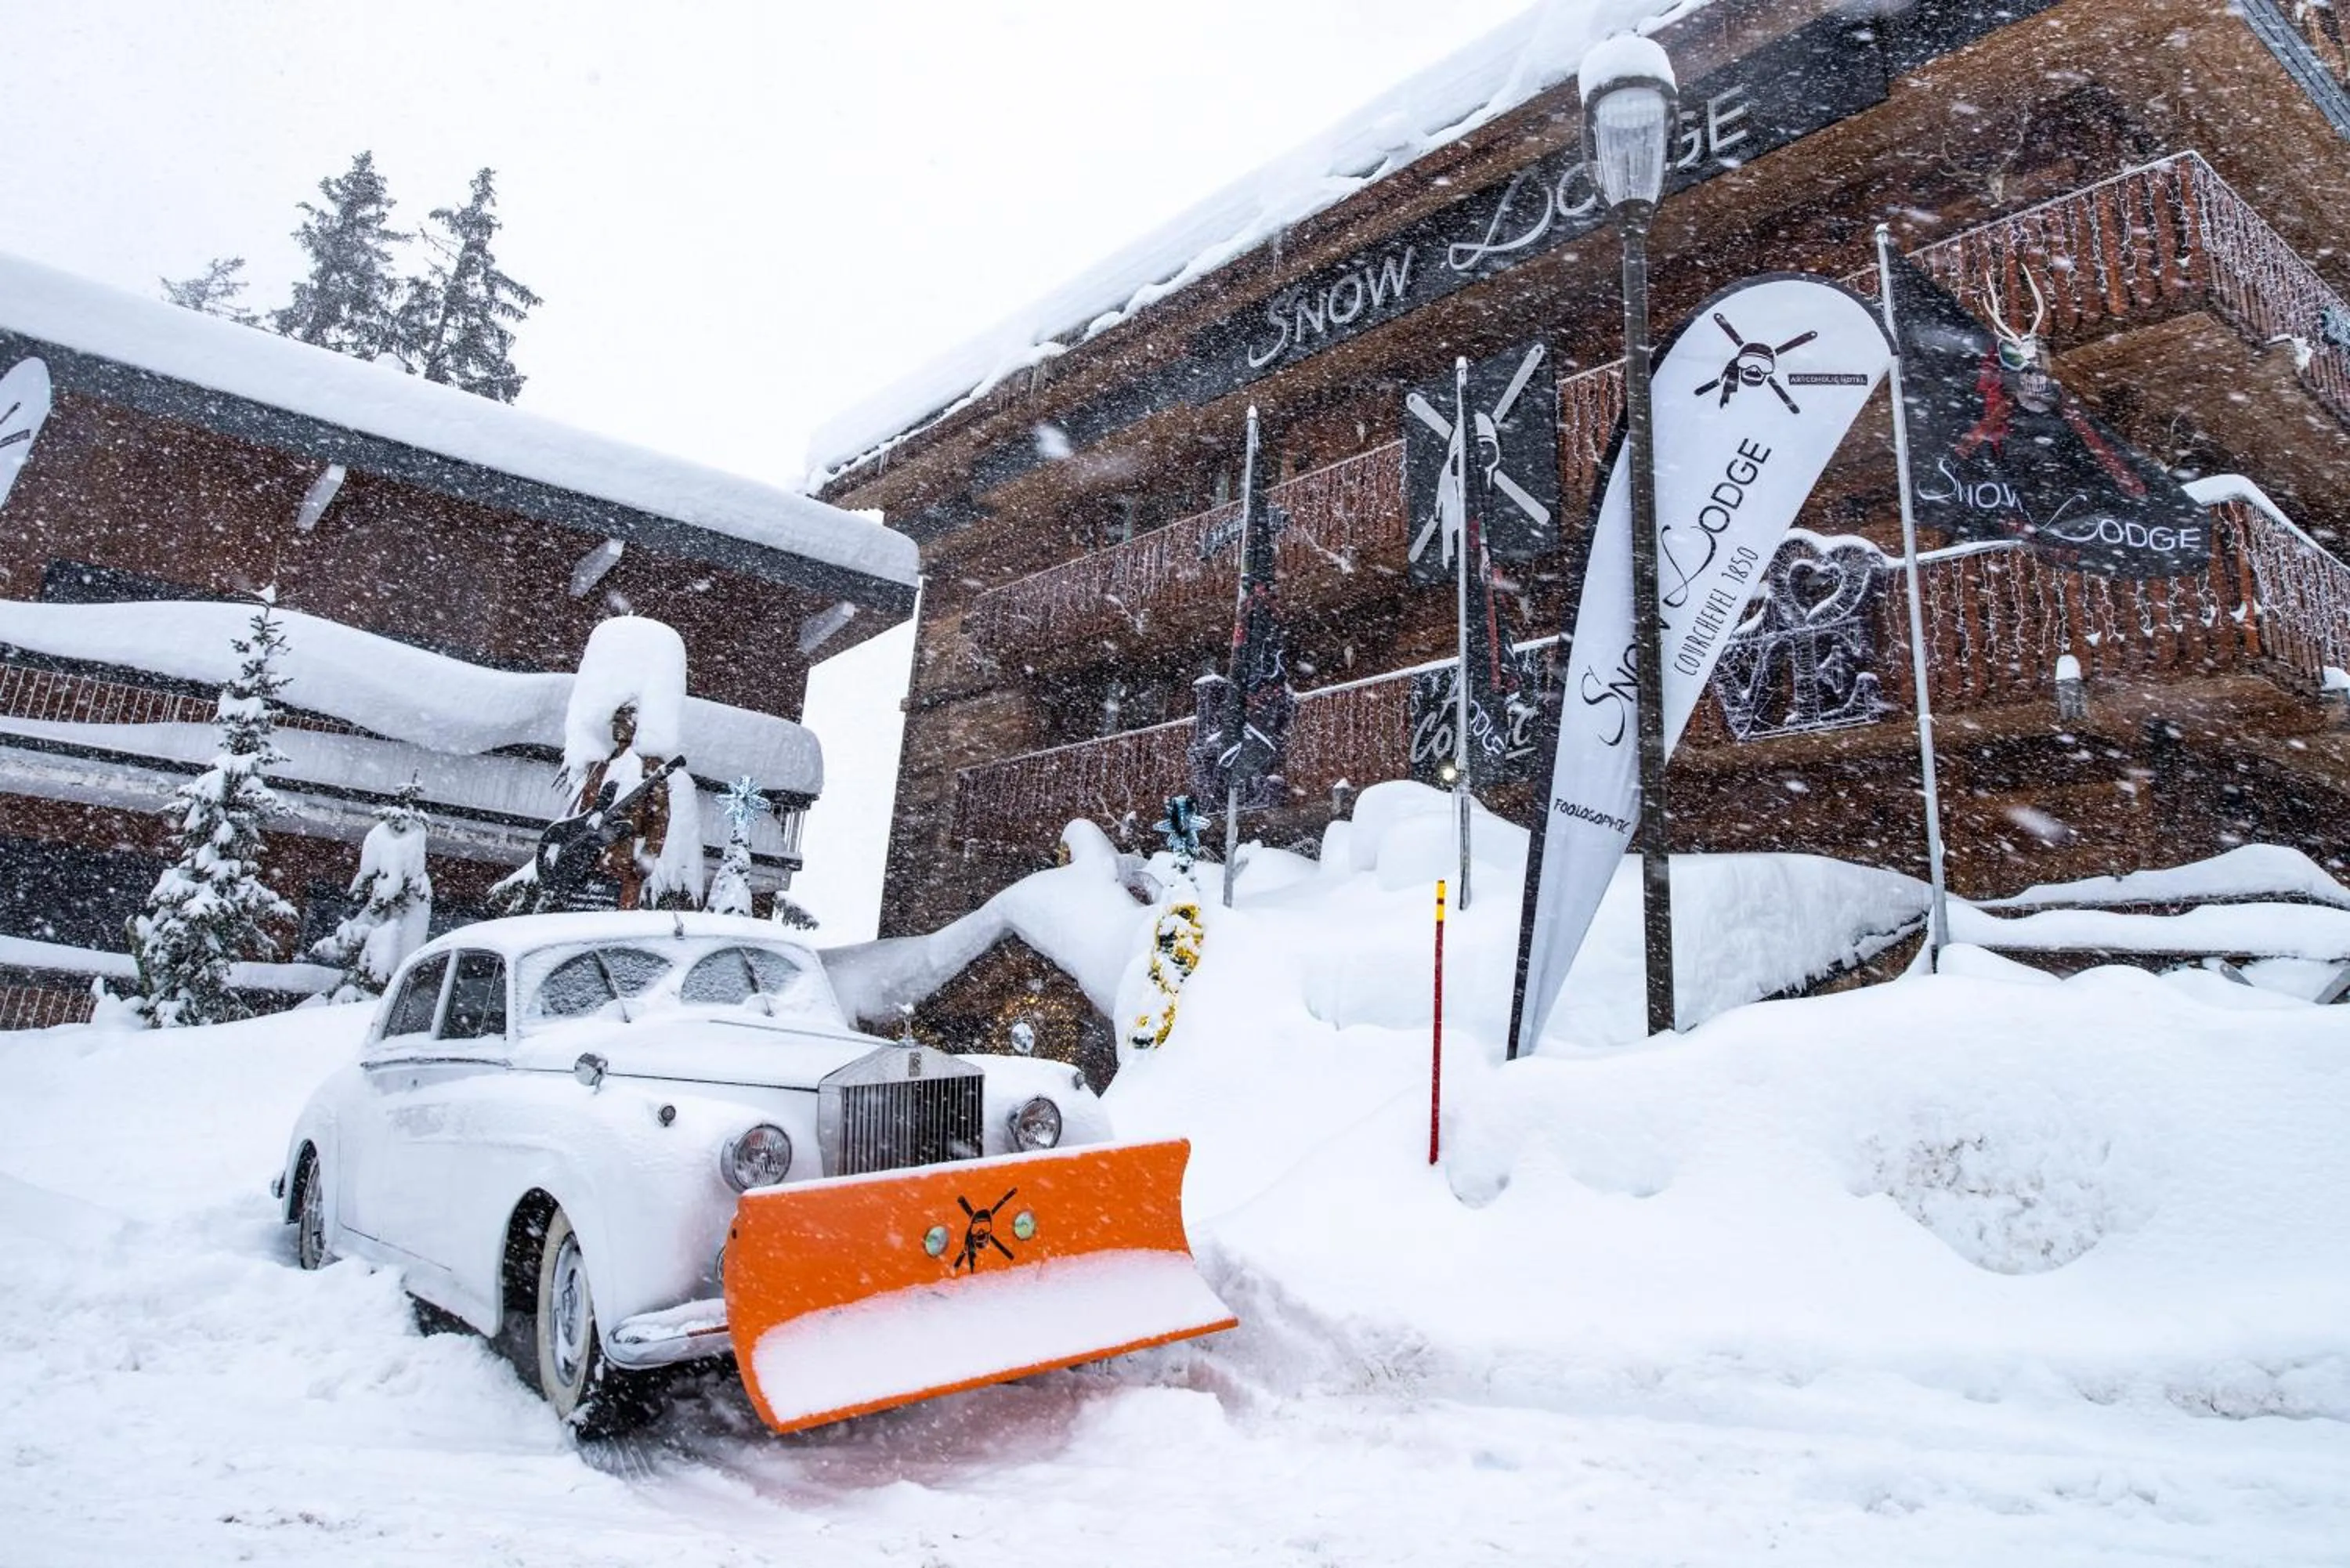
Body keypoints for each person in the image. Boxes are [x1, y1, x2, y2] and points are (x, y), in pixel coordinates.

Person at [571, 703, 671, 910]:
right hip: (591, 860)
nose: (619, 727)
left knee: (617, 921)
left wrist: (648, 857)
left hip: (626, 863)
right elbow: (585, 810)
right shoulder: (601, 765)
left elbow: (659, 819)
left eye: (624, 720)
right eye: (616, 721)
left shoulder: (650, 767)